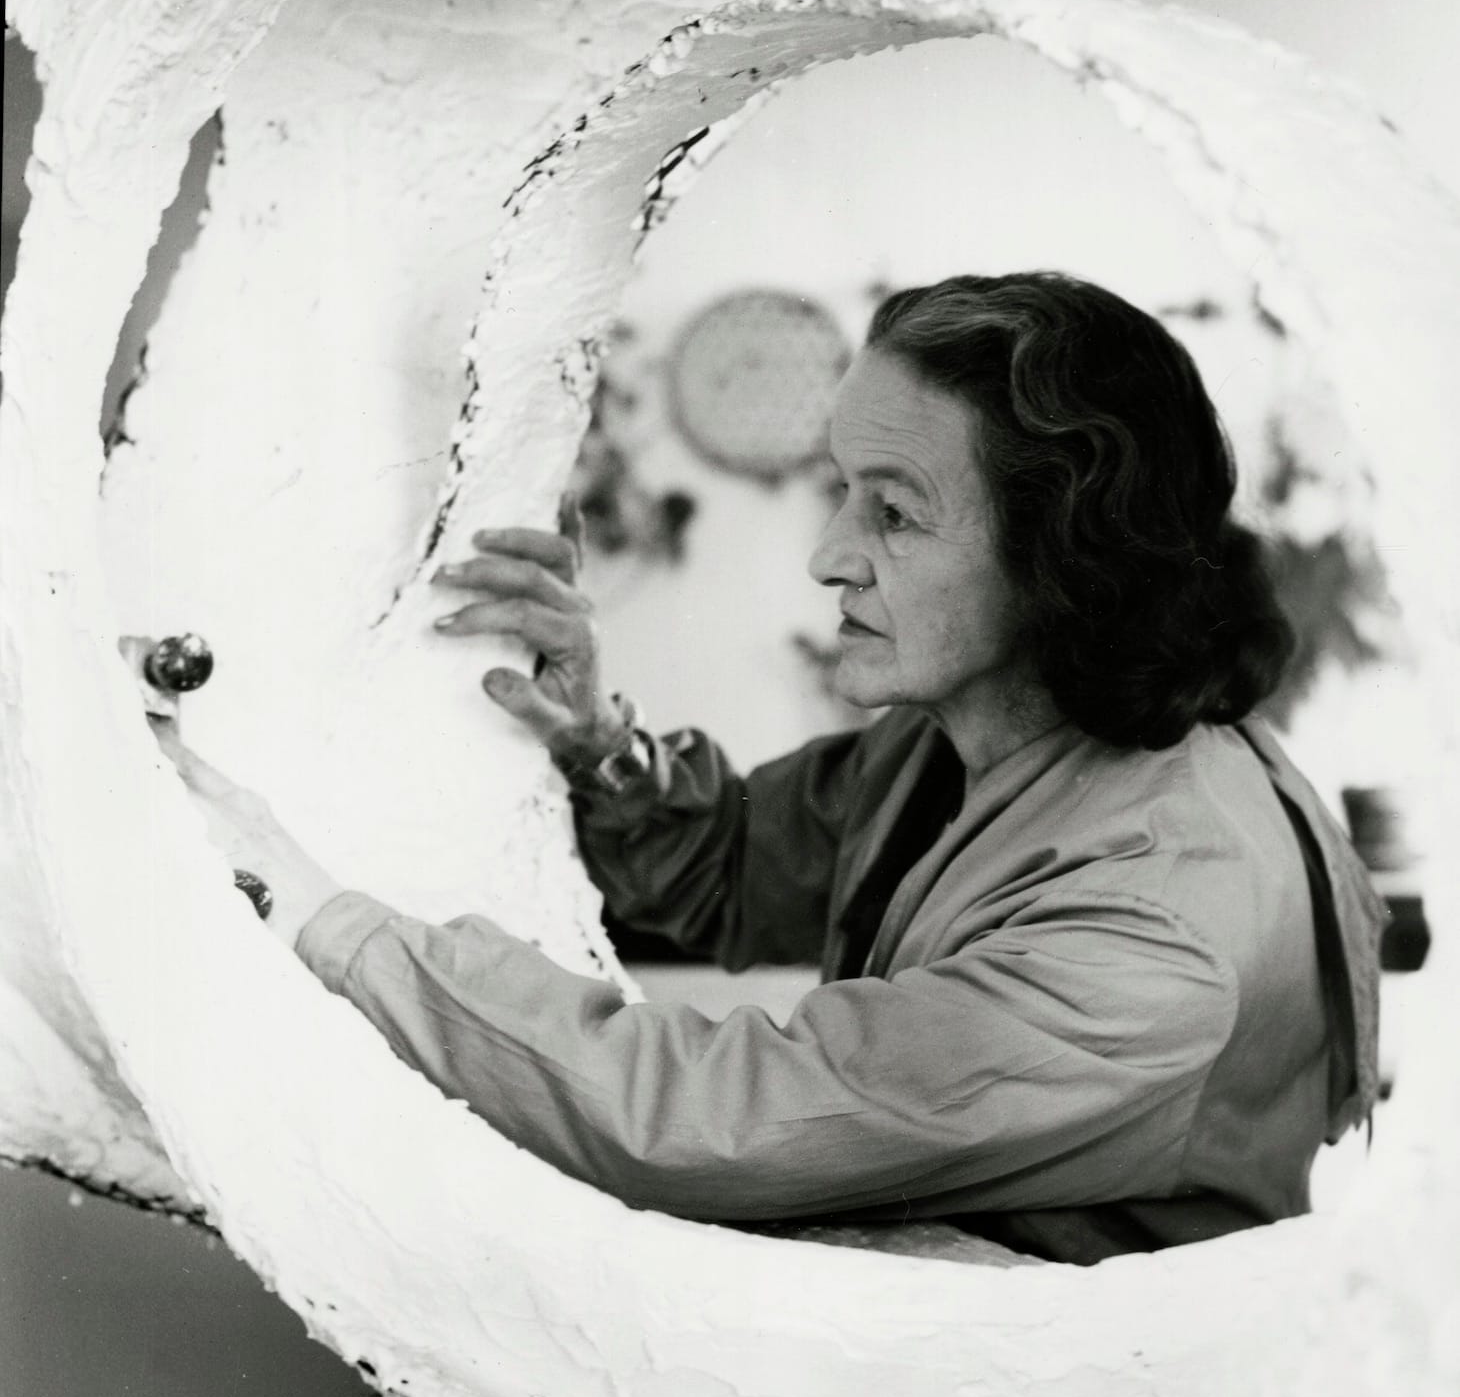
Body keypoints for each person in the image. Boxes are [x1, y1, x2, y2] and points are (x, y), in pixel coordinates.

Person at [160, 272, 1384, 1265]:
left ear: (1062, 559)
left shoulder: (1147, 937)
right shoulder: (968, 734)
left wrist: (318, 916)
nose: (828, 556)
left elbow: (705, 1122)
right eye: (842, 493)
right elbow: (738, 867)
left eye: (892, 513)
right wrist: (593, 738)